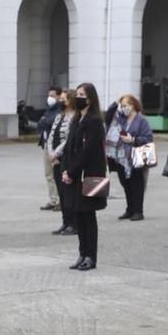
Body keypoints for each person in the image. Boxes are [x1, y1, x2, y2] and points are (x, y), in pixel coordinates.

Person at [61, 82, 107, 271]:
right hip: (75, 174)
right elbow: (70, 147)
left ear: (90, 99)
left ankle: (91, 256)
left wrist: (72, 171)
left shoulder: (94, 121)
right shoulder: (77, 119)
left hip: (88, 175)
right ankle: (82, 253)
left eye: (82, 95)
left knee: (89, 216)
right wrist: (66, 170)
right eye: (77, 94)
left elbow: (88, 151)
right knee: (79, 215)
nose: (78, 97)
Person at [114, 95, 154, 221]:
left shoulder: (141, 120)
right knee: (126, 183)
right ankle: (129, 209)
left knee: (137, 184)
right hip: (122, 157)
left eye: (125, 105)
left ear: (133, 105)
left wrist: (133, 140)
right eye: (122, 105)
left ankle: (138, 210)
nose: (123, 108)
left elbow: (148, 138)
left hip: (137, 155)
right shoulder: (122, 119)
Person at [49, 90, 77, 234]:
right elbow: (51, 135)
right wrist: (50, 153)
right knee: (61, 192)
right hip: (55, 159)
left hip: (66, 158)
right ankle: (65, 222)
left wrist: (56, 153)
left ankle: (73, 223)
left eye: (63, 99)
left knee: (68, 193)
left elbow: (68, 139)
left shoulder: (74, 118)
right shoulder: (59, 116)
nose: (60, 101)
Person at [37, 85, 61, 209]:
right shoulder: (49, 109)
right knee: (49, 175)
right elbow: (40, 124)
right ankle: (53, 200)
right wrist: (44, 121)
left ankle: (60, 201)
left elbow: (49, 122)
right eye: (49, 95)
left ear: (58, 96)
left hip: (56, 147)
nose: (49, 98)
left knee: (57, 174)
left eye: (52, 96)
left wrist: (45, 121)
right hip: (46, 144)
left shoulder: (59, 110)